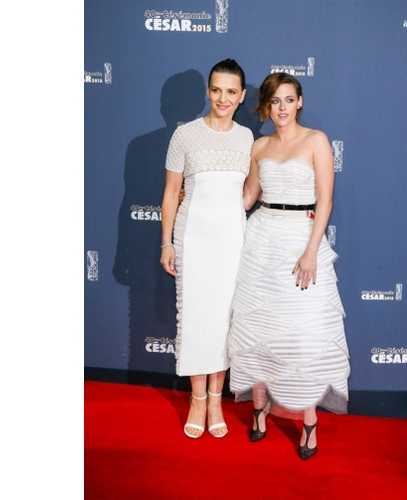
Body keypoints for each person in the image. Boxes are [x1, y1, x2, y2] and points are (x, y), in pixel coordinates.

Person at [228, 72, 350, 459]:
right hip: (261, 239)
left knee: (302, 335)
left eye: (288, 99)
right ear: (267, 106)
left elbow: (325, 200)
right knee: (258, 328)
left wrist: (311, 250)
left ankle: (309, 420)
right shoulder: (260, 145)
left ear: (300, 102)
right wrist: (205, 199)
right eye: (275, 101)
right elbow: (248, 197)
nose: (282, 108)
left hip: (301, 238)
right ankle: (259, 410)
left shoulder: (317, 141)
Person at [160, 59, 253, 439]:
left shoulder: (248, 138)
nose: (223, 98)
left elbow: (250, 191)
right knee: (196, 318)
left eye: (231, 92)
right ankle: (197, 399)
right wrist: (166, 242)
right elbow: (171, 193)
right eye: (216, 90)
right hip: (193, 238)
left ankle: (217, 398)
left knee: (225, 321)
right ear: (208, 92)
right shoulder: (184, 136)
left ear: (242, 96)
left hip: (233, 241)